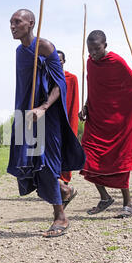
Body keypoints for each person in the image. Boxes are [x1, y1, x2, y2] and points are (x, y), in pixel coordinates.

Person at [7, 9, 85, 238]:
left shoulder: (45, 47)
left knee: (47, 163)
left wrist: (43, 108)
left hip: (45, 116)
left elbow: (60, 84)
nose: (12, 26)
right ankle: (64, 189)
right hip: (24, 115)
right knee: (28, 163)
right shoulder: (19, 51)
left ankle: (60, 217)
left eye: (17, 22)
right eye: (10, 23)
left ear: (31, 23)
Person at [79, 30, 132, 218]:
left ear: (105, 45)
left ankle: (128, 203)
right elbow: (93, 89)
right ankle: (105, 197)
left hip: (118, 122)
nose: (93, 53)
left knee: (118, 160)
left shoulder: (116, 61)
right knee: (87, 157)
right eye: (89, 50)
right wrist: (86, 107)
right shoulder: (90, 63)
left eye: (97, 49)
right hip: (96, 119)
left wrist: (127, 115)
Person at [56, 50, 80, 203]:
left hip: (67, 120)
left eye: (60, 60)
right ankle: (57, 184)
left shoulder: (71, 78)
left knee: (66, 152)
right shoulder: (47, 77)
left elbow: (74, 102)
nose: (57, 62)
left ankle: (65, 184)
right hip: (53, 121)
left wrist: (72, 124)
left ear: (64, 61)